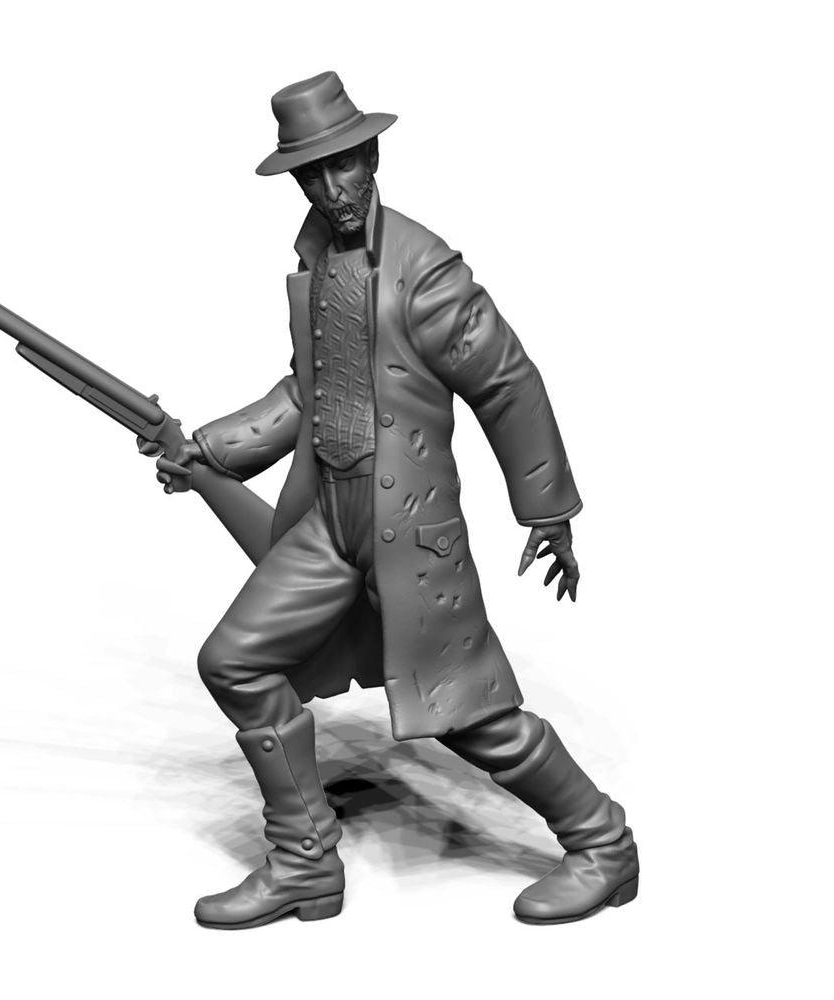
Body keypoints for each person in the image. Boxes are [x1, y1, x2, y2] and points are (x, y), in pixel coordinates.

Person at [147, 71, 639, 930]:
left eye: (343, 165)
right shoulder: (315, 265)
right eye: (312, 173)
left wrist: (547, 511)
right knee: (235, 662)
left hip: (408, 532)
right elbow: (307, 392)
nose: (332, 188)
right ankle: (304, 862)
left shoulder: (423, 270)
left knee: (467, 716)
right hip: (329, 520)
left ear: (371, 156)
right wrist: (212, 448)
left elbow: (507, 381)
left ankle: (602, 843)